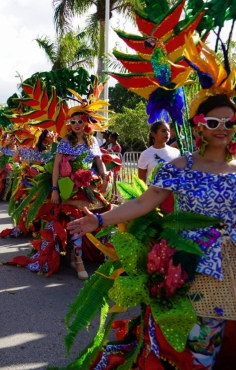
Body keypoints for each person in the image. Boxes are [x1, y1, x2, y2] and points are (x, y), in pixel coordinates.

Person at [67, 94, 236, 367]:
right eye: (214, 121)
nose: (222, 128)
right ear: (199, 126)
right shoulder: (180, 168)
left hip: (234, 268)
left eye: (230, 123)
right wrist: (100, 221)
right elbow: (144, 202)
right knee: (201, 350)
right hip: (196, 268)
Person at [49, 112, 109, 279]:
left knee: (97, 218)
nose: (76, 124)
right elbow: (56, 167)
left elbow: (99, 162)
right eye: (73, 121)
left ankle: (93, 255)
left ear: (86, 123)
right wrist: (55, 188)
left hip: (89, 186)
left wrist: (104, 179)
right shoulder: (65, 142)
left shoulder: (92, 141)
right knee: (75, 221)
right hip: (71, 188)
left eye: (80, 121)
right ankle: (79, 260)